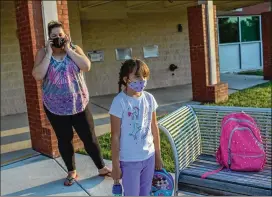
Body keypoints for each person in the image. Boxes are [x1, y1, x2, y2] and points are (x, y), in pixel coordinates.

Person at [32, 20, 111, 186]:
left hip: (79, 104)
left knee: (89, 137)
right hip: (55, 108)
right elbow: (38, 75)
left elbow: (86, 66)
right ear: (49, 38)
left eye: (60, 35)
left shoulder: (74, 49)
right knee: (64, 139)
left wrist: (68, 49)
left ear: (66, 35)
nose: (58, 38)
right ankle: (71, 171)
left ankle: (101, 167)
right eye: (54, 36)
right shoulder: (42, 53)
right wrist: (48, 53)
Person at [109, 59, 163, 196]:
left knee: (145, 193)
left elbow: (154, 127)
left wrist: (158, 155)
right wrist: (115, 166)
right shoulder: (119, 102)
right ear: (126, 79)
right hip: (129, 161)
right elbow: (115, 135)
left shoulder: (149, 98)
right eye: (138, 76)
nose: (143, 80)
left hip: (149, 157)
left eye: (145, 76)